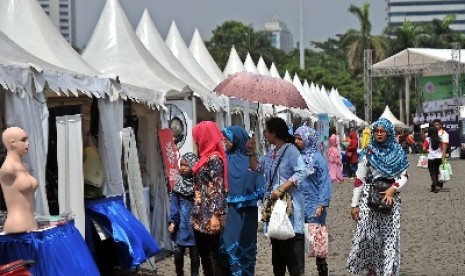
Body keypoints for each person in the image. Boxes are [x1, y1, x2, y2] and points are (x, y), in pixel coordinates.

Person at [0, 127, 99, 275]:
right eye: (23, 140)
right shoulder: (7, 169)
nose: (28, 143)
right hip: (16, 225)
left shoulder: (24, 167)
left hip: (31, 223)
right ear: (11, 143)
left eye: (27, 139)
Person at [347, 118, 409, 276]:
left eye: (382, 131)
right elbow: (359, 179)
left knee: (389, 238)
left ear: (389, 132)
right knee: (368, 236)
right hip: (369, 198)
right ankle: (372, 269)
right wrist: (354, 204)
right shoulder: (367, 151)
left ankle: (386, 271)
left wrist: (392, 189)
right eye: (376, 131)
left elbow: (404, 176)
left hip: (391, 199)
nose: (379, 134)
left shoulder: (398, 152)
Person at [259, 117, 307, 276]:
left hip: (288, 207)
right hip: (274, 207)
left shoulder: (290, 151)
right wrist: (251, 152)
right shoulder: (271, 153)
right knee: (277, 253)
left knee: (289, 253)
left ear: (274, 133)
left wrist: (282, 188)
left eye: (266, 131)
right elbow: (257, 167)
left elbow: (302, 172)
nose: (264, 134)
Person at [220, 126, 265, 275]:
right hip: (229, 212)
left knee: (245, 246)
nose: (224, 141)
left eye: (228, 138)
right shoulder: (224, 159)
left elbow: (259, 183)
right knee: (227, 246)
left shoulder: (251, 159)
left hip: (247, 213)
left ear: (237, 138)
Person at [191, 121, 228, 276]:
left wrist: (215, 216)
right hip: (200, 213)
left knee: (212, 255)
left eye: (198, 136)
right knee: (205, 255)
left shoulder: (214, 159)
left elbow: (218, 189)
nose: (196, 140)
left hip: (209, 214)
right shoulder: (204, 158)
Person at [294, 126, 332, 276]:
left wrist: (322, 203)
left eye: (300, 138)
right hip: (298, 203)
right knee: (297, 239)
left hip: (314, 204)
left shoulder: (317, 159)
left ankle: (322, 268)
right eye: (295, 138)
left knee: (317, 239)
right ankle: (299, 270)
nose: (296, 141)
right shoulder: (295, 157)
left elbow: (324, 182)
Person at [169, 152, 200, 276]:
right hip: (181, 224)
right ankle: (179, 272)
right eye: (181, 164)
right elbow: (174, 205)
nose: (182, 167)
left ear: (193, 165)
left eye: (186, 165)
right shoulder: (178, 185)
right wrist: (173, 221)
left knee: (195, 255)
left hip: (195, 225)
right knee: (178, 253)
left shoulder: (198, 184)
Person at [425, 127, 443, 193]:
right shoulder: (440, 138)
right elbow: (442, 148)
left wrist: (427, 150)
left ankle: (434, 186)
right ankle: (438, 184)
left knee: (432, 173)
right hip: (439, 158)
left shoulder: (428, 139)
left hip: (431, 158)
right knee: (437, 172)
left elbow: (424, 148)